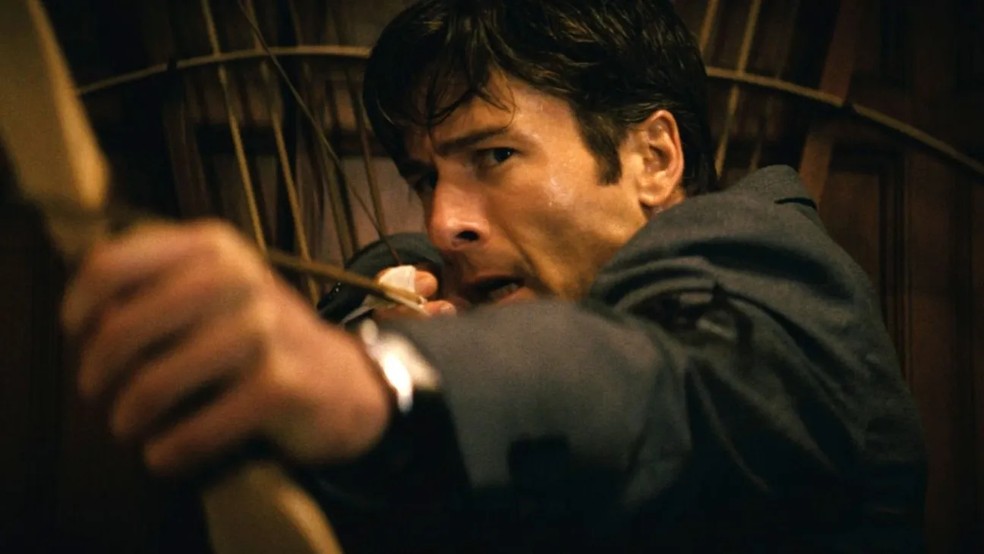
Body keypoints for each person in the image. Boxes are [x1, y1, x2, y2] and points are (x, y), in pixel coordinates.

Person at [61, 0, 926, 551]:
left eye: (494, 155)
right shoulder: (434, 284)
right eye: (424, 175)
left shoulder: (764, 257)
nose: (445, 220)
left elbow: (673, 389)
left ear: (654, 158)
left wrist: (384, 381)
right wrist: (355, 337)